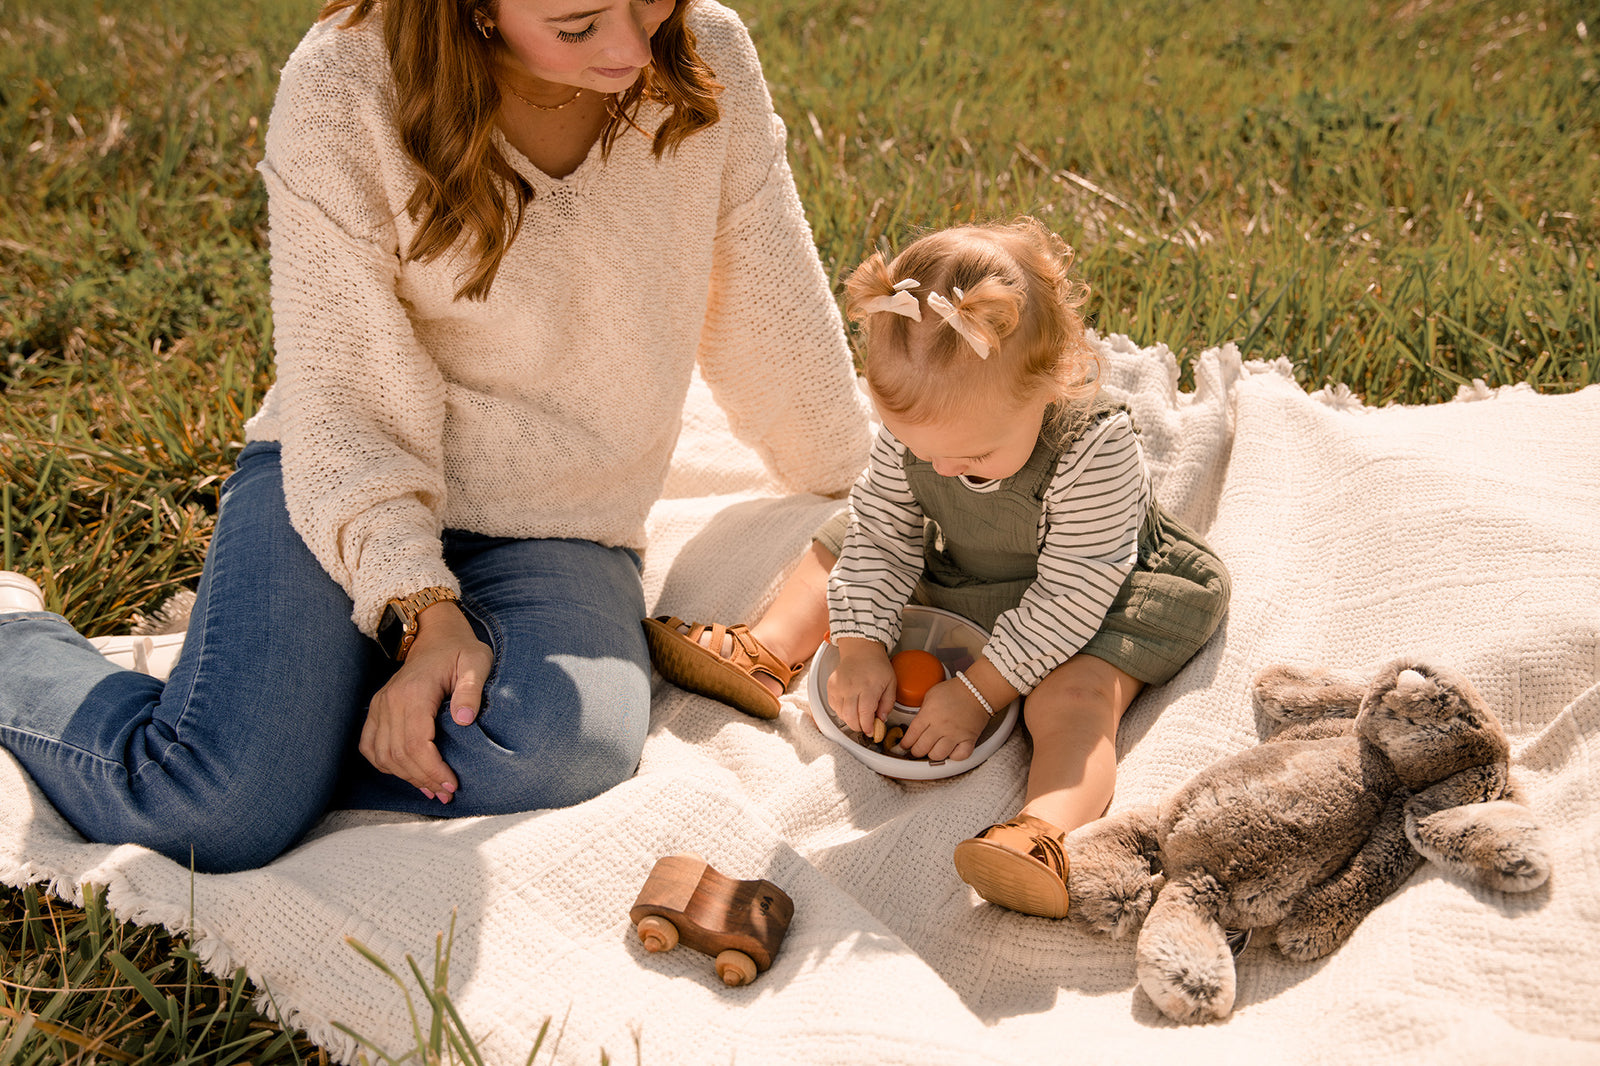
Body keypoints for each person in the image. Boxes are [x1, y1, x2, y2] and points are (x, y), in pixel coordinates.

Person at [0, 0, 868, 874]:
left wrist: (876, 481)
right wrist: (423, 614)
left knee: (563, 748)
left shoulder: (708, 53)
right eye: (576, 26)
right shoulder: (345, 83)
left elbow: (772, 314)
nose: (634, 47)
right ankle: (18, 639)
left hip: (559, 518)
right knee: (212, 808)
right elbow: (346, 394)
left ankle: (297, 735)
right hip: (345, 474)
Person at [649, 217, 1229, 919]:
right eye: (922, 451)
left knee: (1073, 697)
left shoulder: (1093, 449)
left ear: (1050, 384)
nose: (946, 470)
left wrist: (981, 690)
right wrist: (860, 645)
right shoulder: (926, 437)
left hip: (1100, 593)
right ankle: (769, 650)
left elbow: (1070, 595)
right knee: (846, 535)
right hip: (972, 564)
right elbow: (882, 536)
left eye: (975, 457)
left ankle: (1043, 831)